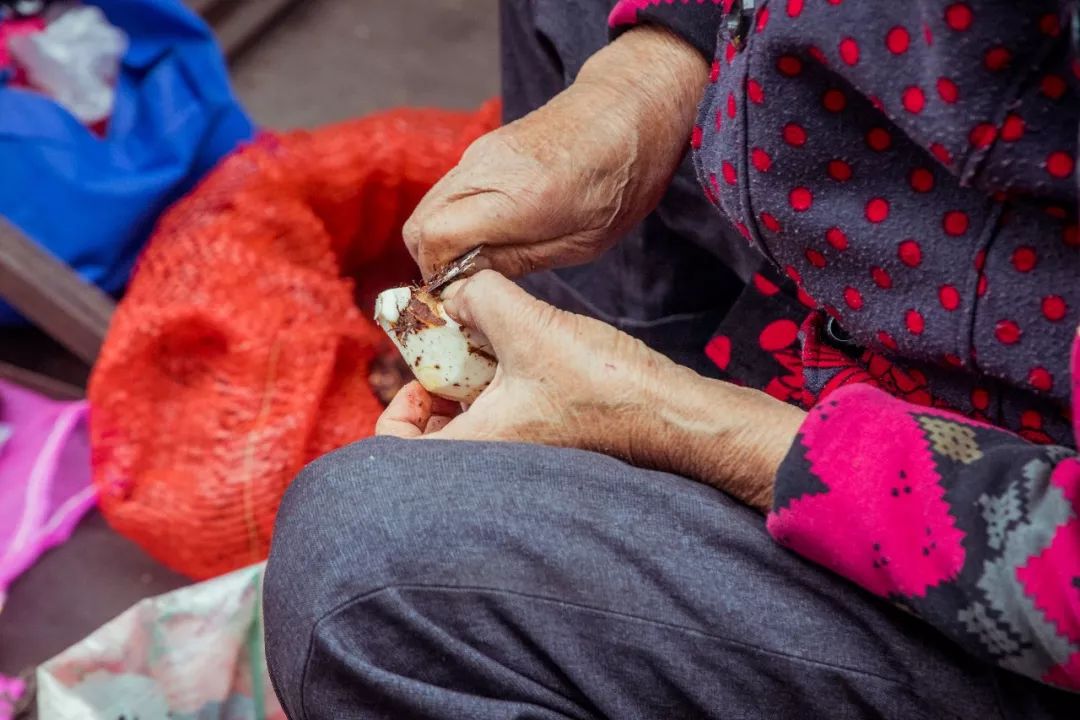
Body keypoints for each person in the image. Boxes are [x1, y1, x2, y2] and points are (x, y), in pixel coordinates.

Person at [263, 1, 1080, 717]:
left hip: (985, 544)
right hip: (911, 289)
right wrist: (651, 70)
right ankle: (594, 487)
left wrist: (670, 418)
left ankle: (603, 523)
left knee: (360, 566)